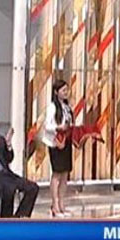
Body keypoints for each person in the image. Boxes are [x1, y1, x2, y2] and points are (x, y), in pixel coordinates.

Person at [0, 110, 40, 217]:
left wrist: (8, 145)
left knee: (32, 187)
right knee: (8, 189)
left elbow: (9, 159)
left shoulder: (0, 139)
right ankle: (5, 218)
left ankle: (19, 216)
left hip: (6, 175)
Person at [42, 79, 74, 218]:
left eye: (67, 90)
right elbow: (47, 125)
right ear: (56, 92)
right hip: (55, 143)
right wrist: (58, 128)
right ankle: (54, 206)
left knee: (65, 174)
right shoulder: (52, 107)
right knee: (57, 174)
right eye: (63, 90)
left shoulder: (66, 107)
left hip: (66, 142)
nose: (66, 92)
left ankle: (61, 204)